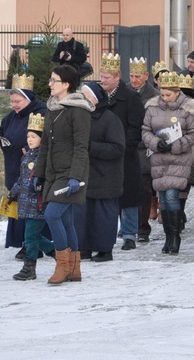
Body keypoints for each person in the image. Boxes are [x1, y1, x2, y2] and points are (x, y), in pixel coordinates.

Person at [36, 65, 94, 285]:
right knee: (66, 220)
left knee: (53, 215)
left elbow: (81, 146)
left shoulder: (78, 110)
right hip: (53, 172)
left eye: (54, 80)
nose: (50, 84)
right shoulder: (52, 108)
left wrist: (75, 176)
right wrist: (38, 174)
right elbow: (45, 147)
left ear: (67, 84)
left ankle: (61, 266)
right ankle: (74, 268)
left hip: (71, 173)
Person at [141, 72, 194, 254]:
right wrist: (155, 143)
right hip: (159, 158)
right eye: (162, 94)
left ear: (177, 92)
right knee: (163, 200)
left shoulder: (188, 108)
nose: (165, 98)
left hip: (178, 158)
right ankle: (168, 236)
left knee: (171, 196)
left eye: (169, 95)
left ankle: (175, 237)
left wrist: (177, 145)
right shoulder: (152, 108)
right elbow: (145, 130)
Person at [0, 74, 47, 258]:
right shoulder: (11, 117)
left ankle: (34, 246)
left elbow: (44, 138)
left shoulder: (41, 112)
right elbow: (2, 130)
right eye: (12, 101)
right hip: (14, 166)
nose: (14, 105)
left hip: (32, 170)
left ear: (28, 99)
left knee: (31, 210)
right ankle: (23, 241)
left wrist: (30, 150)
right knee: (19, 205)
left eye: (17, 101)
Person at [72, 83, 125, 263]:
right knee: (84, 214)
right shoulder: (81, 116)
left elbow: (117, 148)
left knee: (103, 215)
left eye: (86, 96)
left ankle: (104, 249)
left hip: (105, 175)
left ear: (95, 99)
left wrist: (90, 147)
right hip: (86, 174)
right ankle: (85, 247)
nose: (82, 100)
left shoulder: (110, 119)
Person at [98, 53, 146, 251]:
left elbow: (136, 127)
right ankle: (112, 230)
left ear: (117, 78)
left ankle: (129, 234)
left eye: (106, 78)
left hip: (125, 154)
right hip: (104, 154)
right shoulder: (99, 97)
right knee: (109, 194)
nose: (102, 81)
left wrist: (124, 147)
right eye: (101, 77)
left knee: (128, 196)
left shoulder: (131, 98)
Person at [9, 113, 56, 281]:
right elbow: (22, 178)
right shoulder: (27, 155)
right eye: (28, 136)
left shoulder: (43, 158)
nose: (29, 139)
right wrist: (13, 193)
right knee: (34, 236)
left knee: (30, 236)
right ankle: (58, 254)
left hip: (38, 204)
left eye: (34, 137)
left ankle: (29, 267)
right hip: (25, 203)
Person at [128, 58, 160, 242]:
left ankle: (142, 228)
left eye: (137, 76)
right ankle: (128, 226)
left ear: (146, 76)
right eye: (131, 76)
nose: (134, 80)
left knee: (144, 189)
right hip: (129, 146)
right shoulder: (125, 92)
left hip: (145, 149)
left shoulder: (154, 96)